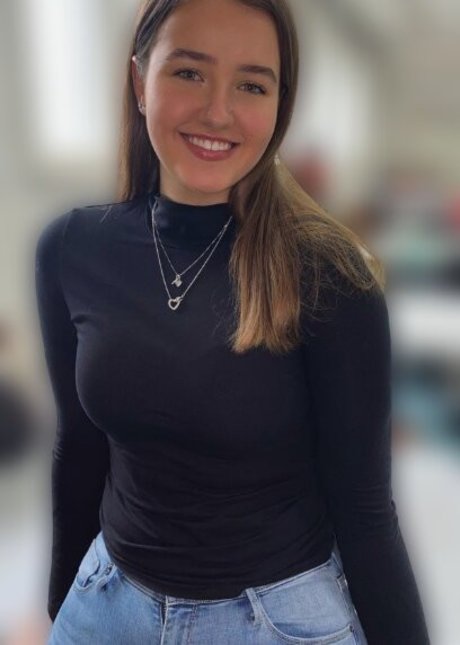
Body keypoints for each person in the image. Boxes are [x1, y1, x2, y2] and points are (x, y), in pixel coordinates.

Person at [34, 0, 431, 643]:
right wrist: (64, 610)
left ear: (279, 107)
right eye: (189, 72)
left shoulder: (327, 277)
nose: (218, 112)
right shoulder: (72, 248)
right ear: (140, 81)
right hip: (106, 601)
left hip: (273, 620)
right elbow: (78, 449)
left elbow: (364, 510)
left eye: (251, 85)